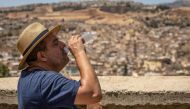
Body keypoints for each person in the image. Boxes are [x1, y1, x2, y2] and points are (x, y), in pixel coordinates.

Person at [16, 22, 102, 109]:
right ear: (42, 56)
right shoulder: (46, 82)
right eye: (55, 43)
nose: (63, 45)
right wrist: (79, 53)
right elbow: (93, 93)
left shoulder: (28, 78)